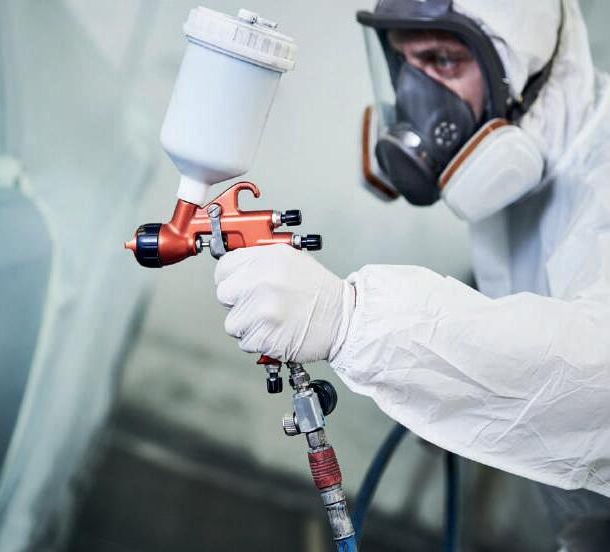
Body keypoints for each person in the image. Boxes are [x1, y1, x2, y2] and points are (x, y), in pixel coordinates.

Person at [214, 0, 610, 542]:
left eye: (444, 60)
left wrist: (354, 323)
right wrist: (451, 385)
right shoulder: (526, 190)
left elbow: (596, 378)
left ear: (530, 73)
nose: (415, 97)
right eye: (404, 62)